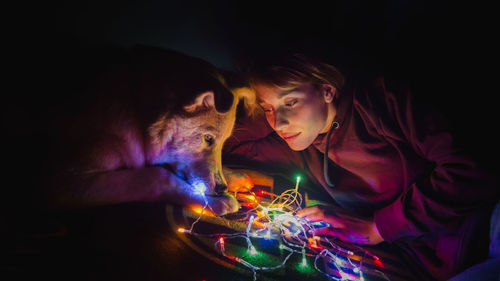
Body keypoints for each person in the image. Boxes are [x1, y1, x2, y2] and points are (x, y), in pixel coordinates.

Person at [222, 52, 500, 280]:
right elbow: (229, 145)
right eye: (268, 109)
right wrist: (258, 99)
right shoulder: (297, 143)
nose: (279, 122)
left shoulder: (380, 102)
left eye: (290, 102)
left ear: (327, 91)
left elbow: (472, 171)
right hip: (429, 265)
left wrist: (378, 228)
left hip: (485, 231)